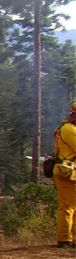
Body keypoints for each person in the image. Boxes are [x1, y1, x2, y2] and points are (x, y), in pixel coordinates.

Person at [53, 102, 76, 248]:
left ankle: (64, 239)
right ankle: (67, 239)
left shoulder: (66, 127)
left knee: (66, 206)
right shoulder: (69, 129)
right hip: (68, 172)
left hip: (64, 171)